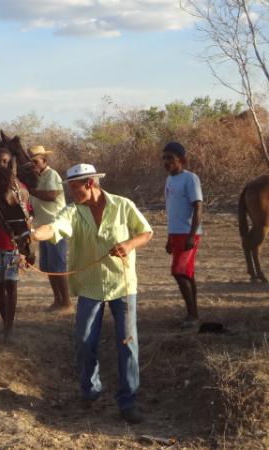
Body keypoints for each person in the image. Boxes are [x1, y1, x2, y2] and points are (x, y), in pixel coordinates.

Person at [31, 163, 153, 424]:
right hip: (89, 286)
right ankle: (90, 390)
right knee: (85, 341)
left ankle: (128, 400)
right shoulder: (73, 211)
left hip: (123, 285)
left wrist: (130, 244)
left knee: (128, 344)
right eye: (70, 187)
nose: (72, 192)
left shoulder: (122, 205)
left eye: (76, 187)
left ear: (91, 183)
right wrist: (32, 234)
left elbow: (146, 232)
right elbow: (54, 227)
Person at [0, 147, 31, 340]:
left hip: (13, 245)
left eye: (5, 161)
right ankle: (5, 321)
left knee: (11, 285)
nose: (1, 165)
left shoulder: (20, 188)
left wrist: (27, 248)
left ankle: (9, 328)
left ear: (10, 163)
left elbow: (28, 217)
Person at [162, 141, 203, 328]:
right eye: (164, 158)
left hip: (188, 233)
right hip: (176, 233)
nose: (166, 161)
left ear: (182, 160)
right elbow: (173, 210)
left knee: (178, 272)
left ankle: (192, 316)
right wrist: (169, 238)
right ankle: (193, 313)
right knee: (188, 274)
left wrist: (192, 235)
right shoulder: (169, 180)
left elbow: (198, 207)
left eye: (170, 158)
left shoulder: (190, 178)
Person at [27, 145, 70, 311]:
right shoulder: (36, 177)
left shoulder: (51, 174)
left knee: (58, 266)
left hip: (55, 226)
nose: (34, 164)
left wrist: (32, 191)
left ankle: (66, 302)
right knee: (49, 267)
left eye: (36, 161)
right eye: (31, 162)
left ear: (44, 160)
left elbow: (52, 195)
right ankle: (57, 300)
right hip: (42, 227)